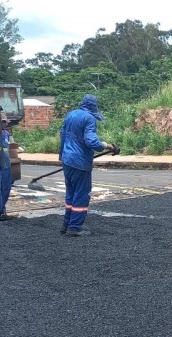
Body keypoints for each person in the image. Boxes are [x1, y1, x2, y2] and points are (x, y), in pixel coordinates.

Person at [59, 94, 118, 237]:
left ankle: (66, 223)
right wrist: (107, 145)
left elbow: (63, 135)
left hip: (67, 160)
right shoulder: (89, 118)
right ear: (93, 106)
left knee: (70, 193)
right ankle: (75, 227)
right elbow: (91, 142)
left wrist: (62, 155)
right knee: (81, 194)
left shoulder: (71, 114)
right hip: (80, 162)